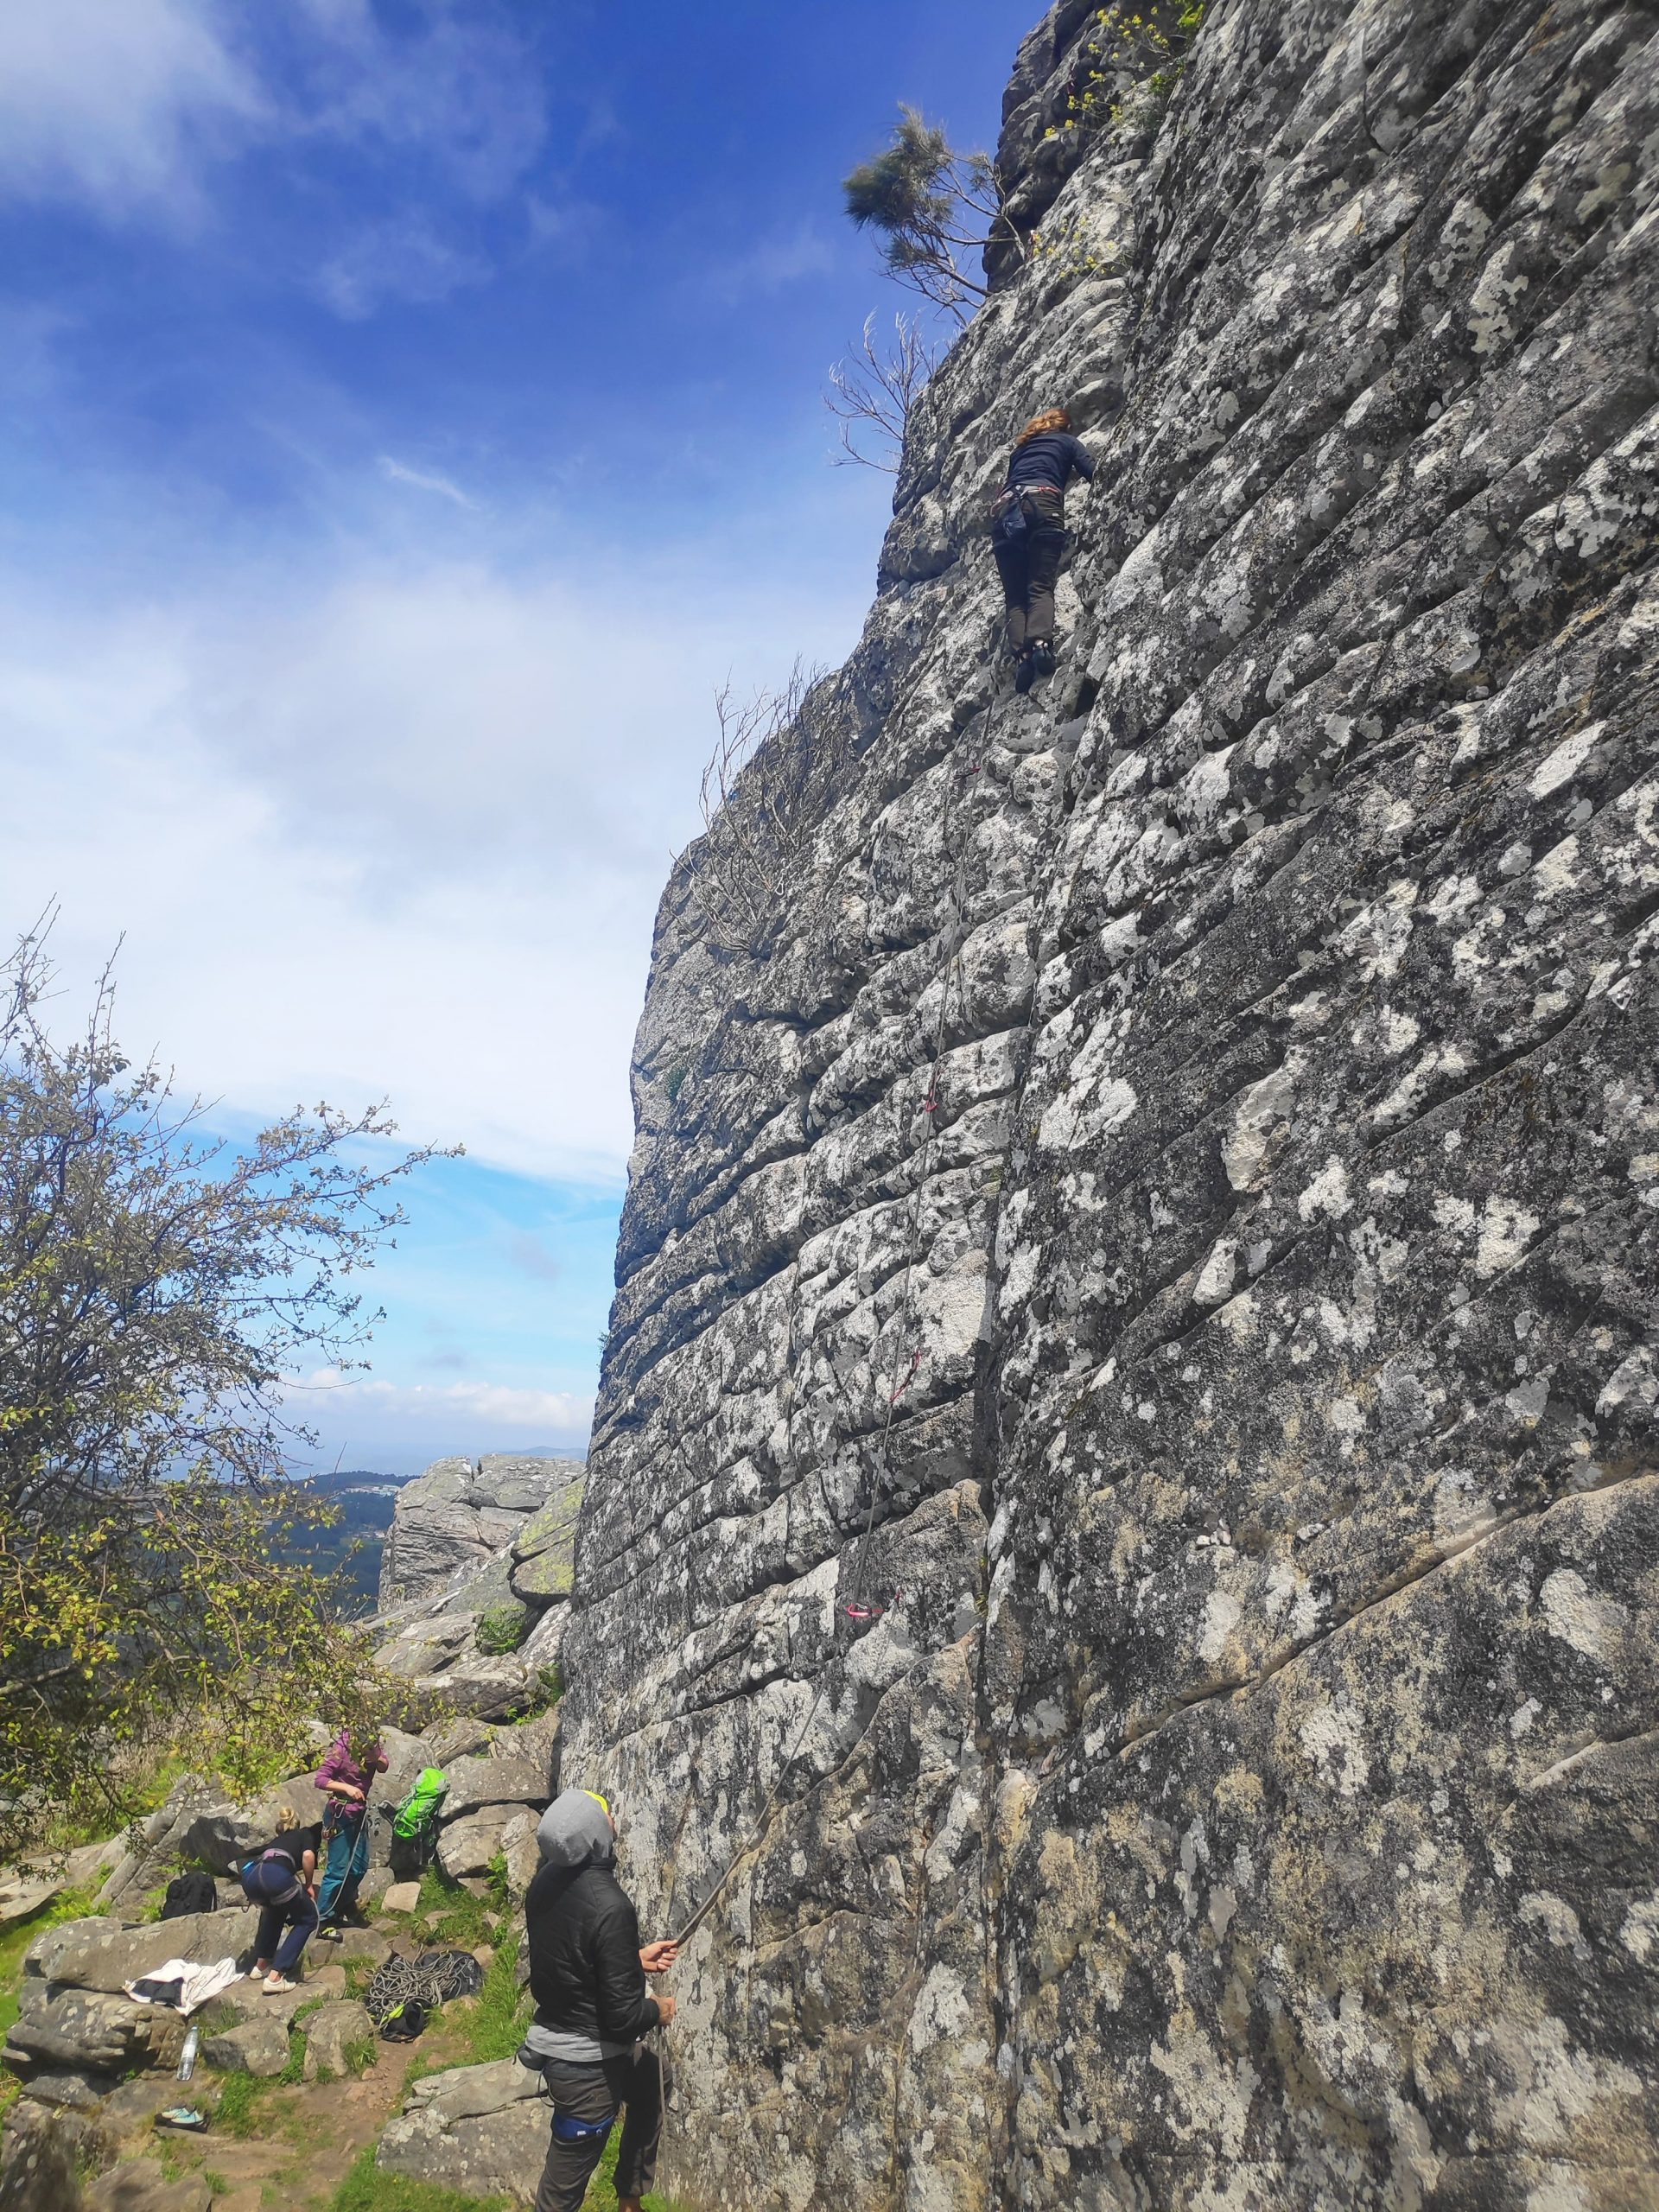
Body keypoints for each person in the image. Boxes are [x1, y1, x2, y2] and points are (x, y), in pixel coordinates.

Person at [520, 1789, 679, 2212]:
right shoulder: (611, 1906)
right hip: (586, 2067)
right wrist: (659, 2011)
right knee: (561, 2194)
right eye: (606, 1819)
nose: (613, 1823)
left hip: (566, 2038)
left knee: (653, 2078)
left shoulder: (546, 1883)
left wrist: (629, 1959)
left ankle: (630, 2198)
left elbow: (569, 1956)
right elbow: (625, 2018)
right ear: (593, 1836)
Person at [991, 404, 1096, 691]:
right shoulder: (1066, 441)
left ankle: (1023, 658)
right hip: (1043, 506)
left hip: (1006, 514)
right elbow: (1091, 471)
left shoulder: (1018, 453)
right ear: (1063, 427)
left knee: (1014, 596)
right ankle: (1039, 645)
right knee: (1040, 585)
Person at [314, 1726, 389, 1938]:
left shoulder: (373, 1747)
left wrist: (377, 1757)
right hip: (340, 1813)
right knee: (337, 1870)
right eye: (365, 1751)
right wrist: (347, 1788)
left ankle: (344, 1904)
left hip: (359, 1813)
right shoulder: (340, 1749)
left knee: (358, 1867)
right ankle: (324, 1919)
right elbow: (320, 1779)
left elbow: (383, 1766)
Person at [240, 1803, 321, 1993]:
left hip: (252, 1876)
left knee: (276, 1912)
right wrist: (309, 1885)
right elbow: (308, 1856)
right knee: (308, 1919)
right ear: (297, 1824)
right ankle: (276, 1977)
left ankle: (261, 1966)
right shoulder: (304, 1835)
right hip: (274, 1876)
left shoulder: (276, 1842)